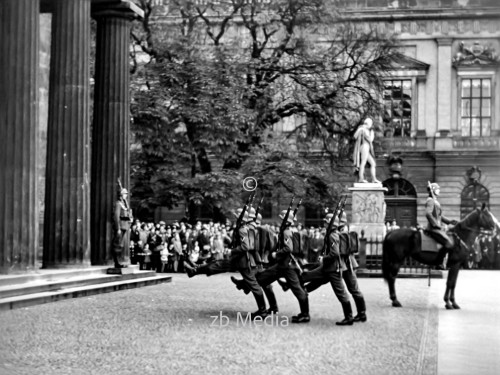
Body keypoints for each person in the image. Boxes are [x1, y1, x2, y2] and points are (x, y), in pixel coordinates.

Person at [425, 182, 457, 270]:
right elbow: (428, 214)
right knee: (447, 243)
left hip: (438, 227)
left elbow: (439, 216)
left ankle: (440, 263)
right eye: (437, 189)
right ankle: (438, 263)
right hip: (433, 228)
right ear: (433, 190)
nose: (439, 191)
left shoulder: (435, 201)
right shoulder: (430, 200)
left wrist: (449, 221)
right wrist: (435, 225)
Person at [353, 117, 380, 184]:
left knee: (373, 164)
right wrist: (371, 133)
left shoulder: (366, 130)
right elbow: (370, 139)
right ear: (368, 123)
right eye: (370, 123)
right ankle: (361, 178)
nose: (371, 125)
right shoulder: (363, 129)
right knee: (363, 162)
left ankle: (374, 179)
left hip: (367, 147)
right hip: (364, 146)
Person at [112, 188, 133, 268]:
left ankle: (119, 261)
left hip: (124, 226)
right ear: (121, 195)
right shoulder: (118, 204)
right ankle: (117, 262)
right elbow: (116, 217)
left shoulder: (123, 204)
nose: (126, 195)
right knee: (118, 244)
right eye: (125, 194)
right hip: (120, 226)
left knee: (121, 245)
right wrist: (118, 228)